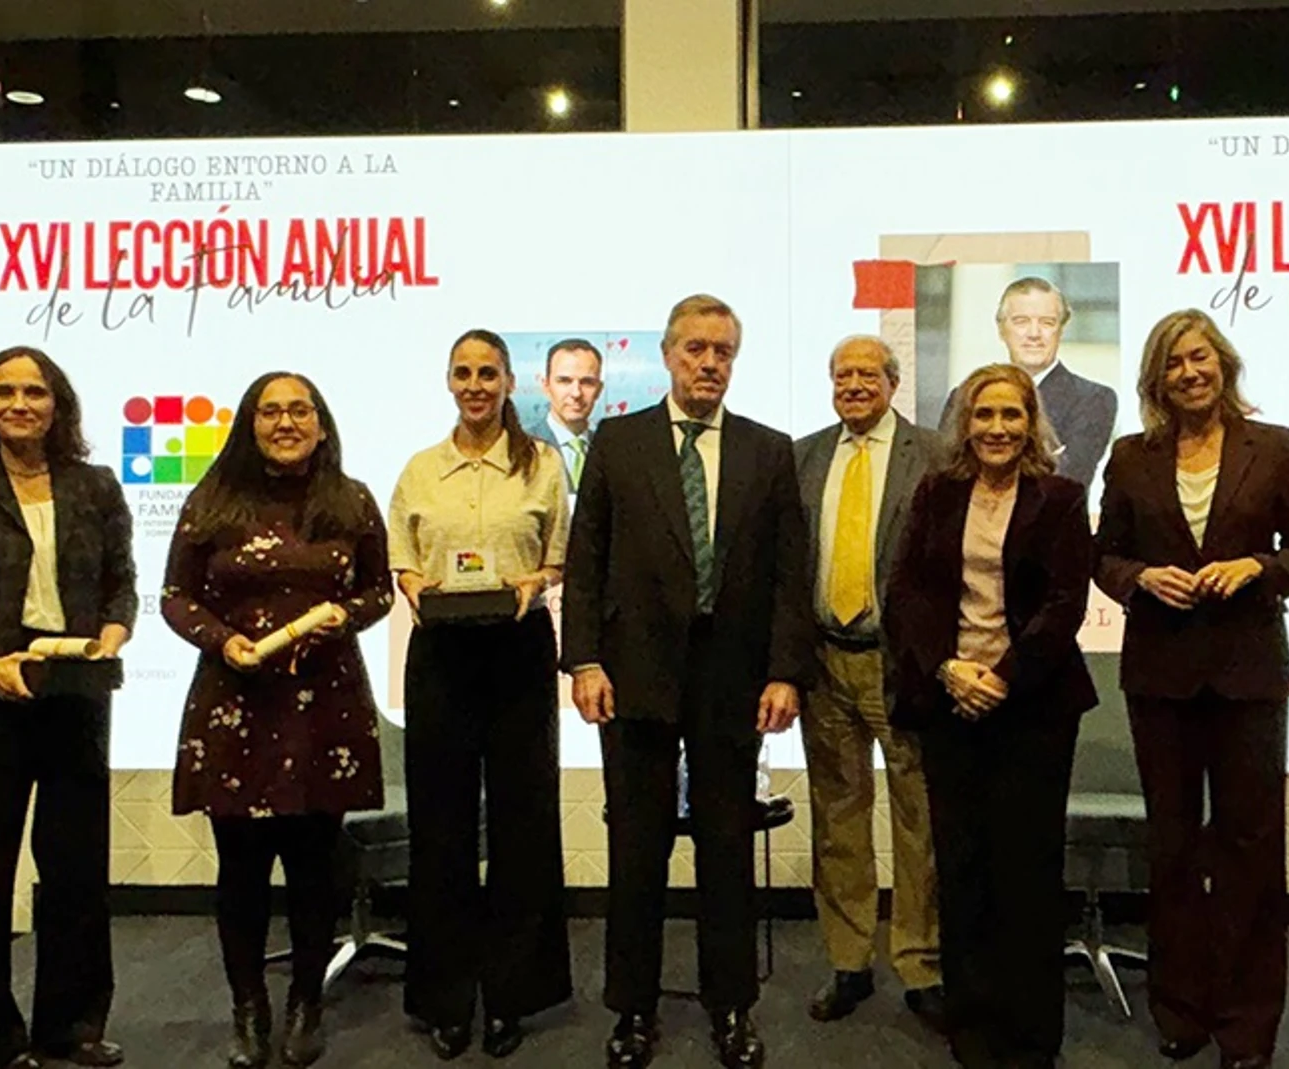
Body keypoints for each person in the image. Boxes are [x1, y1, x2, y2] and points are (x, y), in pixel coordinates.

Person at [562, 294, 811, 1069]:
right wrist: (584, 660)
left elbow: (788, 573)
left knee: (726, 849)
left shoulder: (768, 450)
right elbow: (585, 559)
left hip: (732, 678)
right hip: (633, 673)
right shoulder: (619, 441)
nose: (709, 363)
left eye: (722, 351)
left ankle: (731, 1005)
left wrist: (785, 672)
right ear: (669, 356)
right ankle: (632, 1009)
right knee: (636, 850)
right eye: (696, 349)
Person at [1093, 310, 1289, 1069]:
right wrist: (1139, 578)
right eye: (1173, 363)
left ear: (1223, 363)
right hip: (1159, 676)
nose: (1189, 373)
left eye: (1200, 358)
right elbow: (1104, 555)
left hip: (1249, 675)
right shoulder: (1130, 456)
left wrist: (1260, 567)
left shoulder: (1275, 446)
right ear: (1155, 380)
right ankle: (1181, 1008)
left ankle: (1247, 1023)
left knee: (1249, 848)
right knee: (1171, 845)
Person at [0, 347, 137, 1069]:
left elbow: (121, 584)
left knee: (77, 872)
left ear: (56, 403)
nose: (19, 404)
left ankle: (70, 1027)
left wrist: (113, 633)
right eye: (3, 392)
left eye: (34, 392)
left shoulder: (95, 486)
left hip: (74, 694)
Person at [162, 372, 392, 1069]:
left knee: (314, 868)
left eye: (299, 410)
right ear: (250, 424)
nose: (285, 422)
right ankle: (248, 1008)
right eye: (270, 411)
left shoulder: (351, 500)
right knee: (241, 869)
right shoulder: (212, 501)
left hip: (324, 705)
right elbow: (175, 596)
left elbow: (379, 590)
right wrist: (221, 639)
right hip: (234, 703)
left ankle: (305, 1005)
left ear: (320, 424)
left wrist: (339, 618)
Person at [887, 363, 1096, 1069]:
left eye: (1012, 414)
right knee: (962, 868)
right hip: (949, 702)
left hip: (1033, 707)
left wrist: (1001, 678)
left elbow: (1064, 604)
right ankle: (972, 1028)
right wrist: (948, 667)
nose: (997, 428)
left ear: (1032, 423)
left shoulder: (1061, 498)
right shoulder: (936, 492)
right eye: (985, 415)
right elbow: (909, 590)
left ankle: (1030, 1036)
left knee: (1027, 873)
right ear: (965, 423)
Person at [390, 329, 573, 1060]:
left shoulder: (543, 465)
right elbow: (403, 560)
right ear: (448, 381)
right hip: (441, 655)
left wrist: (539, 580)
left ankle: (511, 996)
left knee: (524, 825)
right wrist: (413, 583)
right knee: (442, 829)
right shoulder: (419, 470)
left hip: (517, 650)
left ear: (507, 383)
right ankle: (446, 998)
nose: (475, 385)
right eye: (463, 373)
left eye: (488, 373)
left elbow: (558, 557)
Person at [792, 335, 944, 1029]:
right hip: (825, 662)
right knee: (838, 818)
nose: (854, 385)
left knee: (919, 818)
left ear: (893, 383)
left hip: (900, 663)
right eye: (842, 374)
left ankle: (921, 963)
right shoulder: (804, 456)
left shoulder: (933, 455)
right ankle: (848, 961)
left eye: (867, 374)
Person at [940, 277, 1117, 488]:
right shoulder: (963, 396)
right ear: (1001, 329)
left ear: (1061, 330)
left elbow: (1068, 480)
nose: (1034, 334)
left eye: (1047, 322)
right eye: (1021, 321)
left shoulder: (1093, 399)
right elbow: (947, 475)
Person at [529, 337, 605, 494]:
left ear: (599, 389)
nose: (576, 393)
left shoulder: (611, 451)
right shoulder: (520, 447)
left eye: (587, 382)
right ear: (546, 386)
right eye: (564, 381)